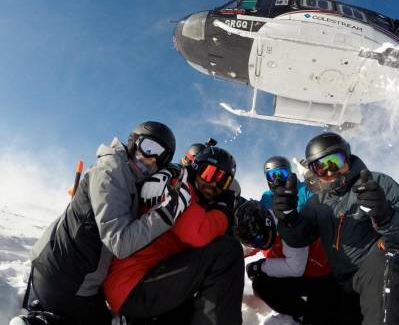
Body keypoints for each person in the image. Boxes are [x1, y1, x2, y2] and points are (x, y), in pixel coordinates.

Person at [21, 121, 185, 325]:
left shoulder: (128, 175)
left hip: (65, 273)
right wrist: (166, 214)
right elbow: (120, 242)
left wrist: (174, 170)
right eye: (149, 148)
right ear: (133, 142)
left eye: (161, 158)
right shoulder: (112, 172)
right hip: (64, 279)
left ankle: (47, 313)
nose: (151, 159)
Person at [273, 132, 399, 325]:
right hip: (350, 282)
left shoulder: (377, 183)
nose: (328, 172)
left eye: (334, 161)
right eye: (319, 167)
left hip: (393, 265)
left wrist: (386, 214)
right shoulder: (318, 203)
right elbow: (299, 237)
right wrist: (288, 217)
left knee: (381, 267)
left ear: (347, 156)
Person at [107, 146, 244, 325]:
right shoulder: (179, 186)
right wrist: (223, 210)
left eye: (223, 181)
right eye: (210, 174)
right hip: (133, 285)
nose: (214, 185)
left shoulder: (198, 199)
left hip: (147, 284)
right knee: (227, 251)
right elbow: (197, 234)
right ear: (196, 167)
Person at [236, 200, 344, 325]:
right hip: (305, 277)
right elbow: (245, 248)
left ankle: (311, 314)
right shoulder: (261, 232)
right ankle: (301, 313)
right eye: (254, 243)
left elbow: (296, 268)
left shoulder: (287, 226)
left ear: (268, 222)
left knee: (325, 319)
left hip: (325, 277)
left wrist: (261, 266)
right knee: (261, 284)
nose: (261, 246)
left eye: (261, 240)